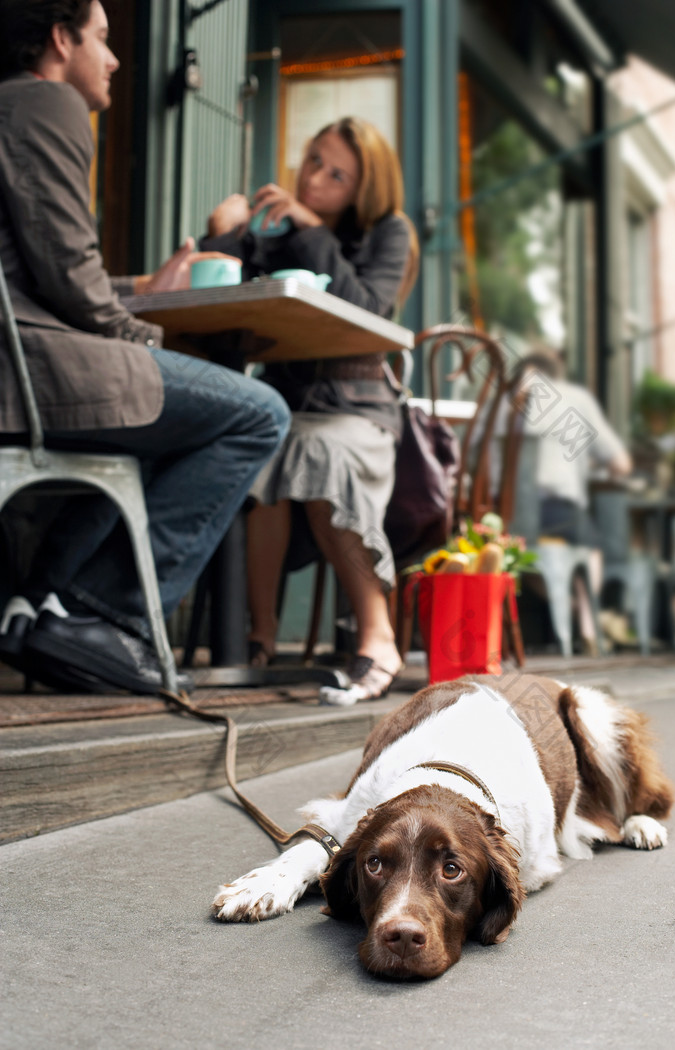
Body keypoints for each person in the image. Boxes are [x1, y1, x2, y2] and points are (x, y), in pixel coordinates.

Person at [0, 0, 290, 694]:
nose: (115, 57)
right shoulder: (46, 102)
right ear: (61, 39)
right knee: (261, 413)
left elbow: (38, 262)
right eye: (101, 38)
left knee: (159, 425)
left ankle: (41, 603)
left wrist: (135, 286)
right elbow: (70, 276)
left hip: (22, 360)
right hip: (30, 371)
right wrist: (140, 333)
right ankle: (107, 619)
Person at [201, 117, 419, 704]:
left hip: (357, 408)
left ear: (364, 186)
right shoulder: (277, 227)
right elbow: (221, 293)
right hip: (287, 403)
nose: (315, 177)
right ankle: (259, 637)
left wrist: (312, 228)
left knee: (317, 449)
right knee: (259, 439)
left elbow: (369, 310)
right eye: (314, 159)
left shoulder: (387, 231)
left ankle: (379, 636)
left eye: (336, 173)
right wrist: (224, 233)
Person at [493, 347, 632, 652]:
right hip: (558, 511)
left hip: (502, 515)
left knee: (529, 560)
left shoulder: (498, 404)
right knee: (587, 548)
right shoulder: (575, 398)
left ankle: (571, 611)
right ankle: (587, 619)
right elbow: (621, 464)